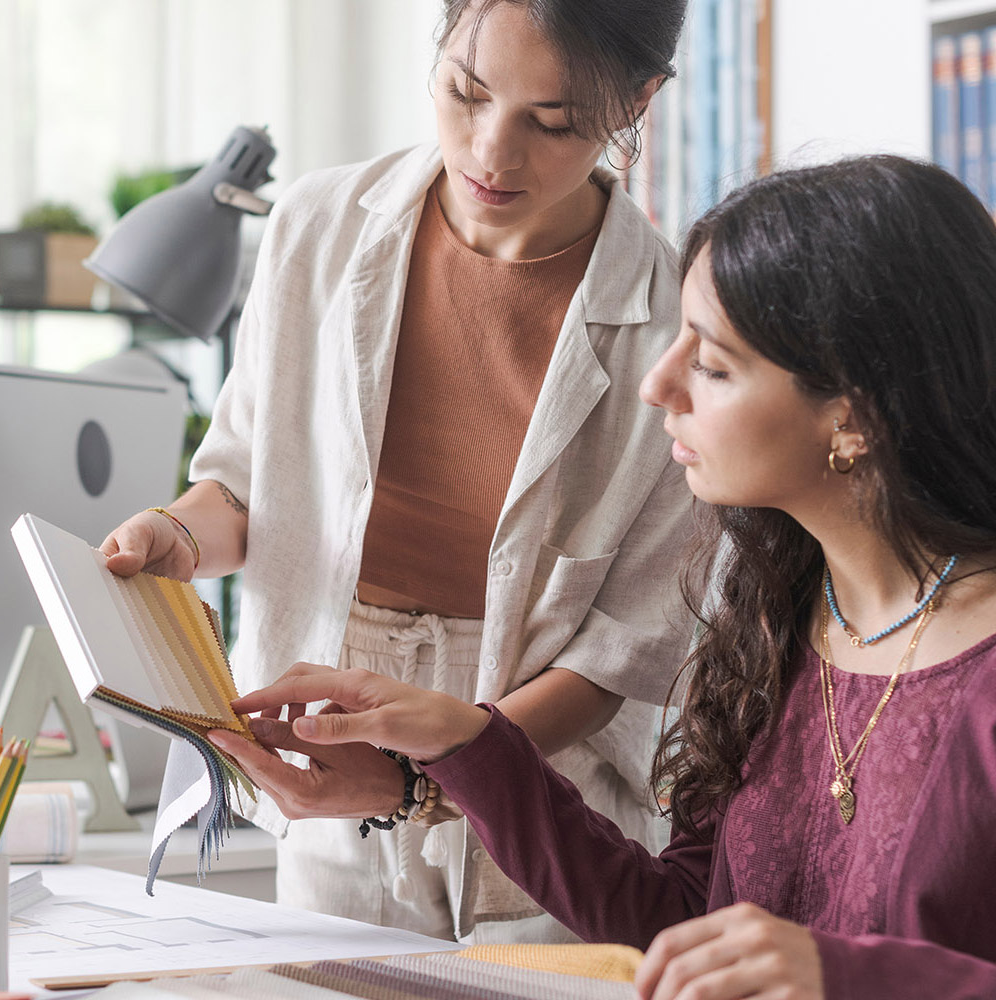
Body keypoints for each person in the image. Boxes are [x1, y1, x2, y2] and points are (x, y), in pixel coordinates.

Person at [210, 154, 996, 1000]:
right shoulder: (774, 615)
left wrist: (847, 977)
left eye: (715, 365)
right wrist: (467, 747)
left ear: (854, 416)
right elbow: (676, 922)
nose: (659, 385)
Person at [101, 0, 695, 944]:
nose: (493, 154)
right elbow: (242, 487)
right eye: (467, 90)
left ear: (637, 102)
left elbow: (618, 651)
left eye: (554, 124)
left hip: (542, 764)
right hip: (330, 707)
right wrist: (173, 537)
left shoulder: (673, 322)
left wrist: (440, 769)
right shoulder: (319, 226)